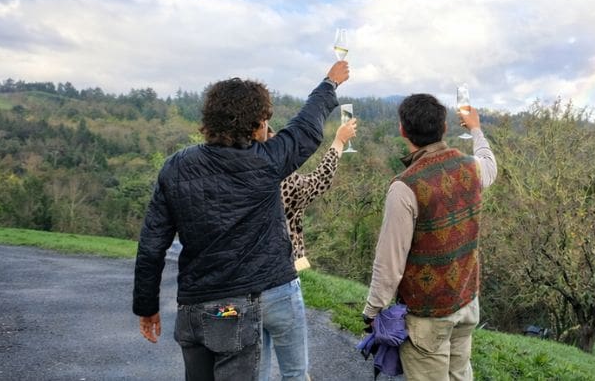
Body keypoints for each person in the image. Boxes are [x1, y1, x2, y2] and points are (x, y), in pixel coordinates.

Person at [133, 61, 348, 381]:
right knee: (294, 373)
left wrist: (146, 305)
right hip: (272, 292)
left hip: (201, 302)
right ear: (254, 126)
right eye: (264, 121)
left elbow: (152, 245)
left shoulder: (175, 167)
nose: (266, 128)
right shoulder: (267, 161)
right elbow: (306, 127)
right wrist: (329, 83)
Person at [361, 94, 497, 381]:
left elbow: (390, 261)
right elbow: (489, 164)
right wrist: (476, 128)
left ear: (402, 130)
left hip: (427, 315)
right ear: (444, 128)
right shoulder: (470, 167)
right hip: (466, 302)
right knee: (460, 374)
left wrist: (373, 310)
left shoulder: (404, 187)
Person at [256, 119, 357, 381]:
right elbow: (318, 182)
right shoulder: (281, 177)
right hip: (281, 279)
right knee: (296, 373)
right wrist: (338, 142)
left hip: (241, 285)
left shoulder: (228, 174)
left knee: (255, 371)